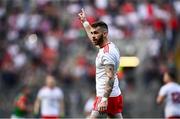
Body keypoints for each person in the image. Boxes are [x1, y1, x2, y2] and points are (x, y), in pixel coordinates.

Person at [78, 9, 123, 118]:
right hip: (115, 94)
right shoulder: (108, 47)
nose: (93, 36)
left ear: (105, 34)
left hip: (107, 95)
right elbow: (92, 35)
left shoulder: (107, 54)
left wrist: (104, 99)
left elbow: (110, 78)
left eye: (96, 33)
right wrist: (85, 22)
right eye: (92, 33)